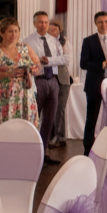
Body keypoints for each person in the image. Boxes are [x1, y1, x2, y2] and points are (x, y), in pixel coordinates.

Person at [24, 11, 68, 164]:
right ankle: (31, 154)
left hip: (53, 81)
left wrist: (49, 60)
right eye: (40, 22)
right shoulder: (27, 41)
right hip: (37, 81)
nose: (43, 25)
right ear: (34, 23)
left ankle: (43, 154)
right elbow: (25, 61)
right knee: (34, 118)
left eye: (46, 22)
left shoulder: (54, 40)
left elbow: (65, 59)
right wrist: (36, 62)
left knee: (49, 120)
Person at [79, 11, 107, 153]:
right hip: (94, 86)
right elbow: (83, 63)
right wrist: (101, 64)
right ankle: (87, 151)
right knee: (91, 120)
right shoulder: (88, 41)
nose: (103, 25)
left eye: (106, 21)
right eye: (100, 22)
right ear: (95, 23)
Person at [0, 17, 40, 129]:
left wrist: (33, 70)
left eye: (16, 31)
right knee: (4, 128)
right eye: (10, 31)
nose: (14, 34)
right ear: (2, 33)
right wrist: (6, 74)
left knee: (25, 128)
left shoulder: (26, 48)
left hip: (25, 95)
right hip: (4, 97)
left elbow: (38, 66)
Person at [48, 19, 71, 151]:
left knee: (60, 108)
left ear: (59, 29)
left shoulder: (65, 41)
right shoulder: (45, 42)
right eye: (51, 29)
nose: (53, 31)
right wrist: (56, 60)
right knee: (52, 108)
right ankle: (56, 136)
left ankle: (59, 136)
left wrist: (50, 60)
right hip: (50, 78)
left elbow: (67, 60)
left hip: (64, 79)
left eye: (56, 28)